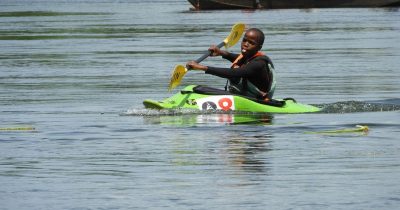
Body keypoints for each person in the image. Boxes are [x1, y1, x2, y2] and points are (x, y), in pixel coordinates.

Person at [186, 28, 276, 100]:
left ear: (259, 47)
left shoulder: (259, 64)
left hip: (255, 100)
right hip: (245, 96)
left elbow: (234, 73)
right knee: (194, 88)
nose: (246, 44)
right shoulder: (248, 57)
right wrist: (221, 52)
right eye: (244, 40)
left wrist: (202, 68)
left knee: (198, 89)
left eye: (251, 43)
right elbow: (237, 58)